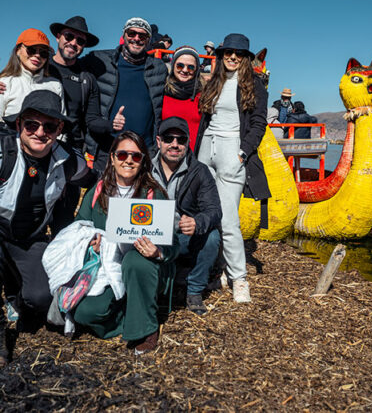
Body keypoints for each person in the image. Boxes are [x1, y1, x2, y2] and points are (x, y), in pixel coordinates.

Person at [66, 131, 179, 354]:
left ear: (143, 160)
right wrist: (90, 242)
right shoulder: (98, 191)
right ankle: (129, 315)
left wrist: (157, 252)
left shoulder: (153, 194)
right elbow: (79, 227)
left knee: (135, 260)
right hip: (107, 270)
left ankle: (146, 328)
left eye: (136, 156)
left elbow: (174, 245)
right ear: (112, 158)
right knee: (84, 313)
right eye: (122, 154)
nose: (128, 160)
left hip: (144, 271)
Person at [0, 90, 90, 362]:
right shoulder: (4, 152)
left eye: (49, 126)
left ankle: (16, 295)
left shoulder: (68, 160)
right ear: (19, 125)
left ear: (59, 129)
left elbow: (101, 182)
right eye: (31, 124)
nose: (40, 132)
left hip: (30, 237)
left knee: (39, 298)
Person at [195, 33, 271, 303]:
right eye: (228, 52)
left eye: (239, 54)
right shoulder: (213, 82)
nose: (233, 57)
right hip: (207, 148)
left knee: (228, 220)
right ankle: (216, 269)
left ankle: (239, 278)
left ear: (246, 59)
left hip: (232, 149)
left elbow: (259, 123)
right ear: (221, 54)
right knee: (205, 213)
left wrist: (242, 152)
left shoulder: (254, 86)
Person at [48, 16, 126, 233]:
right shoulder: (42, 66)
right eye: (69, 36)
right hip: (37, 150)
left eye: (79, 41)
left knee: (63, 220)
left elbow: (91, 120)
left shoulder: (86, 78)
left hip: (69, 153)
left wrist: (112, 125)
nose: (73, 43)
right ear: (58, 36)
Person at [151, 117, 221, 315]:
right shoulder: (144, 166)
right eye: (168, 138)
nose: (175, 144)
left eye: (181, 140)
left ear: (188, 142)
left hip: (181, 236)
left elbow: (214, 210)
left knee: (211, 236)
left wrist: (197, 222)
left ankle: (194, 291)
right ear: (158, 141)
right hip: (150, 234)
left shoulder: (200, 171)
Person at [80, 17, 167, 172]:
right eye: (132, 33)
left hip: (143, 150)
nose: (136, 39)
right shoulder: (100, 60)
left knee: (140, 195)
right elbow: (68, 66)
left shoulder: (159, 68)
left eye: (142, 36)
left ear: (148, 40)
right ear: (124, 35)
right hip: (107, 149)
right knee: (102, 194)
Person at [0, 29, 65, 120]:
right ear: (18, 51)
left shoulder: (56, 85)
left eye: (43, 53)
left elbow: (61, 123)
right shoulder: (4, 83)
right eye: (31, 50)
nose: (37, 55)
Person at [162, 46, 202, 151]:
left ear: (197, 69)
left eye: (191, 67)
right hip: (167, 156)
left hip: (194, 158)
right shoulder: (162, 92)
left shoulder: (203, 95)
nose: (185, 70)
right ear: (173, 65)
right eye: (180, 66)